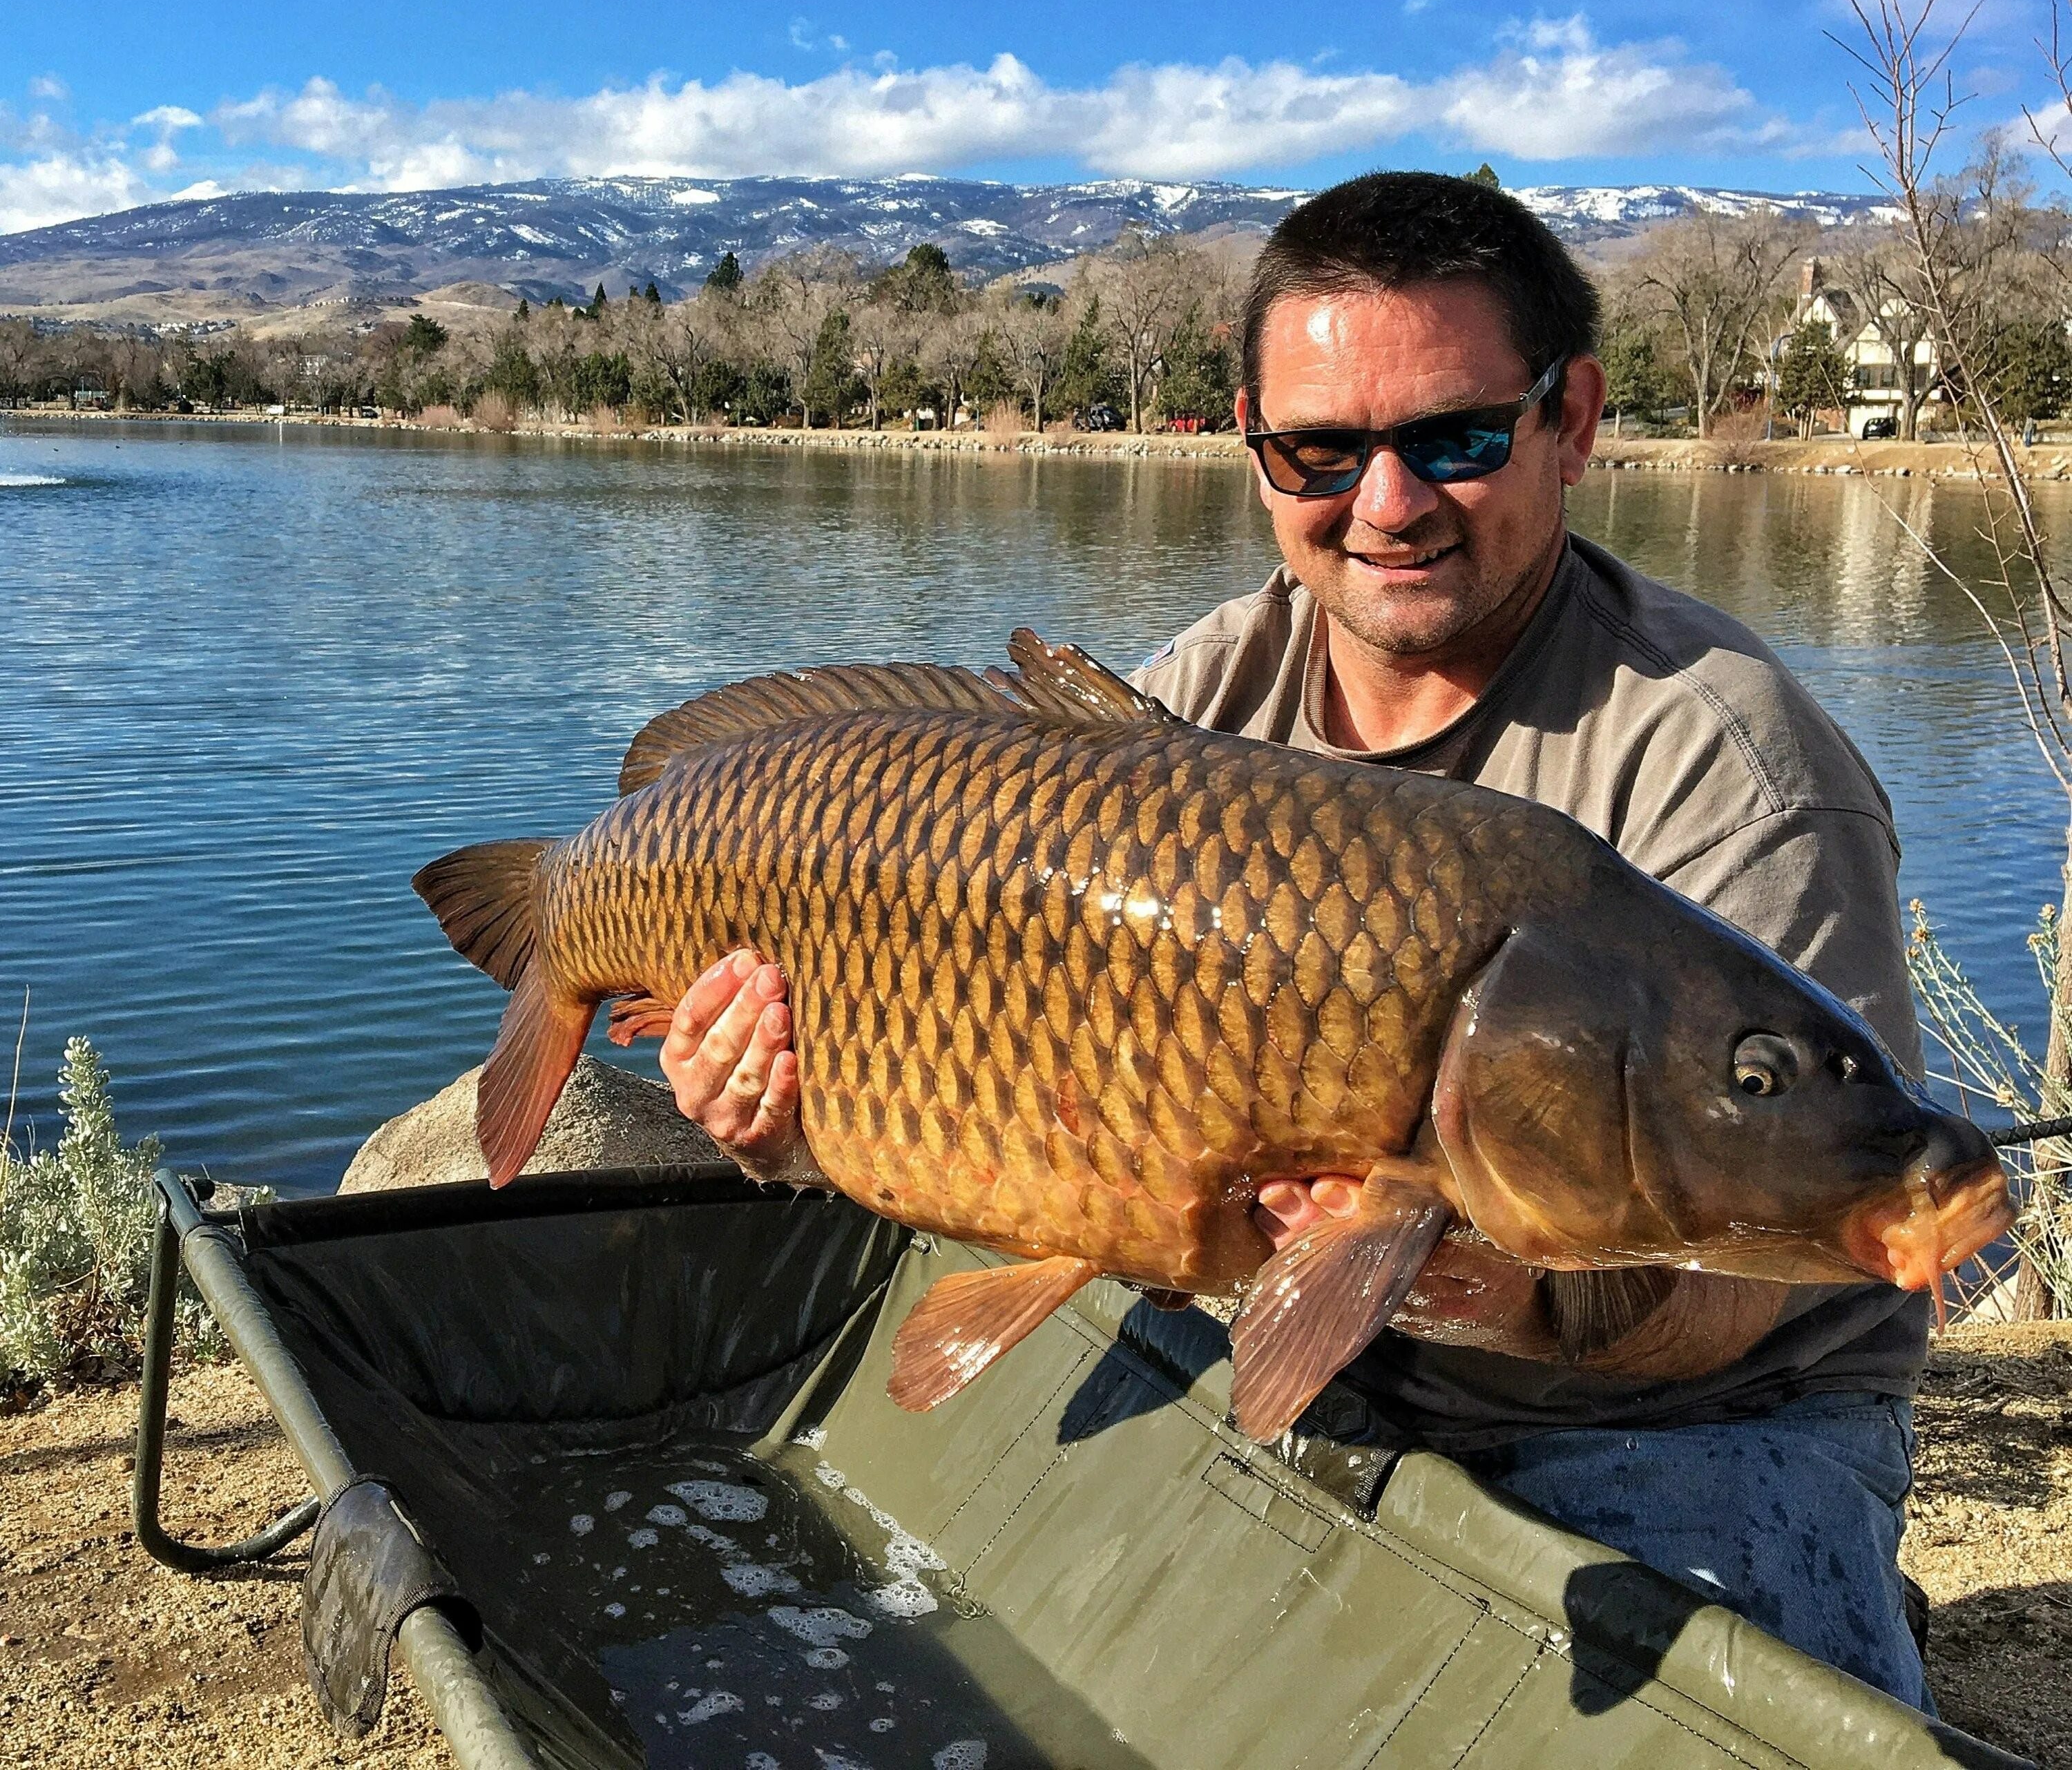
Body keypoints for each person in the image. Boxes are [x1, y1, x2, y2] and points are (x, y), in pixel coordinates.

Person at [655, 172, 1935, 1709]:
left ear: (1574, 419)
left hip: (1701, 1411)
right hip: (1327, 1352)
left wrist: (1493, 1290)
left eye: (1456, 438)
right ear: (1253, 442)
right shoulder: (1194, 704)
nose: (1388, 503)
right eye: (1321, 449)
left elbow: (1782, 1259)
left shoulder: (1733, 766)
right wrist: (788, 1125)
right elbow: (1028, 1117)